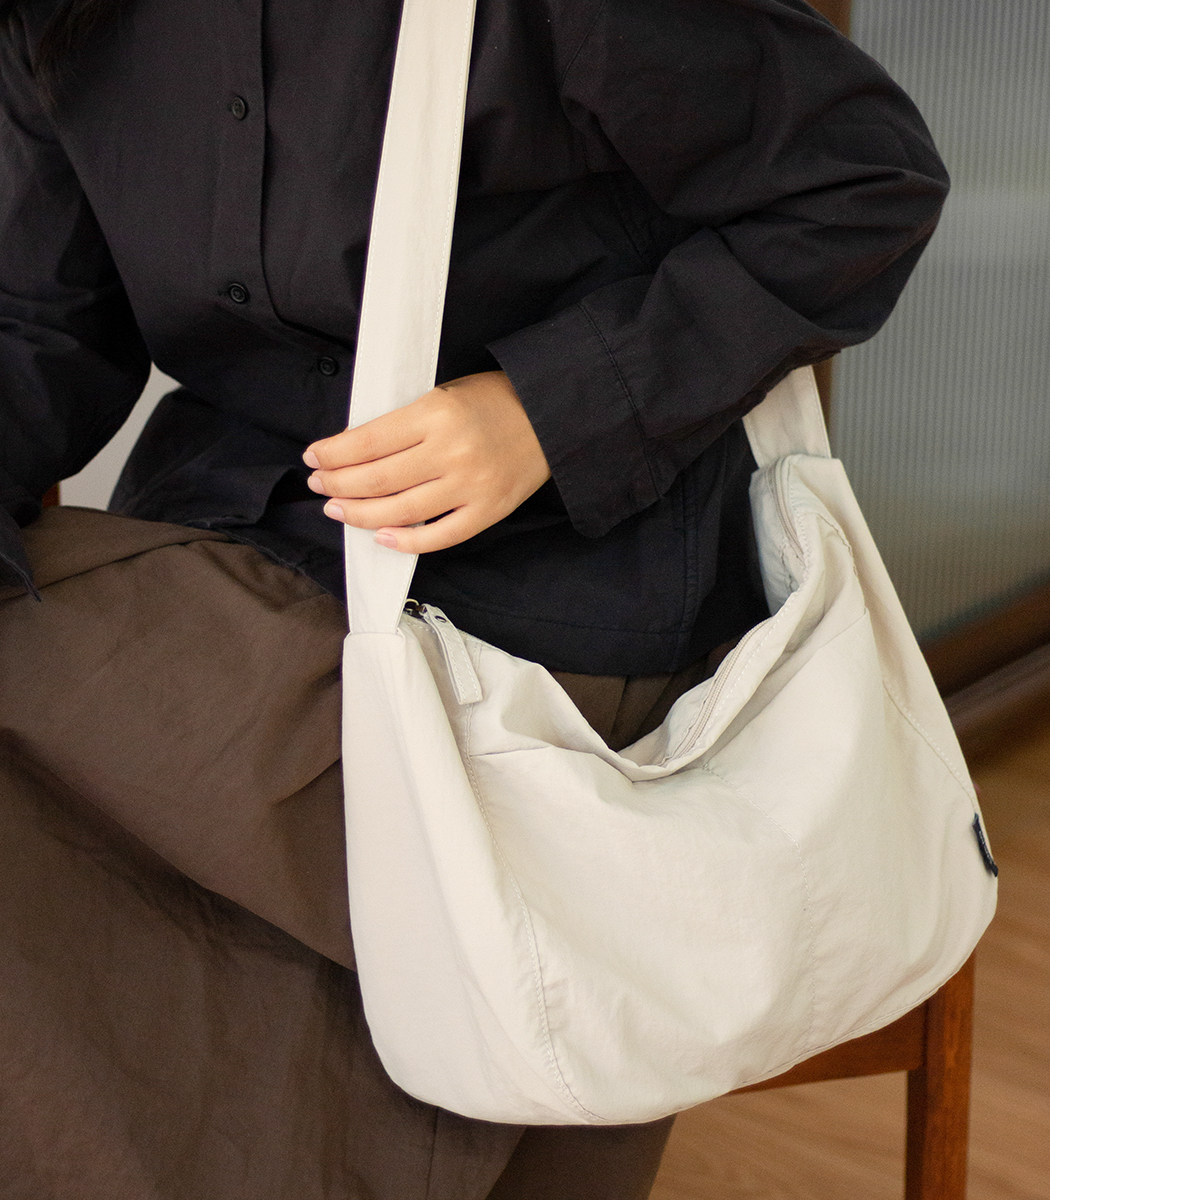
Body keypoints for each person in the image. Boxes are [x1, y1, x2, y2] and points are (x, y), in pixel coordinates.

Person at [0, 0, 949, 1196]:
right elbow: (37, 322)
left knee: (205, 967)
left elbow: (864, 182)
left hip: (545, 608)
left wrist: (547, 412)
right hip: (225, 559)